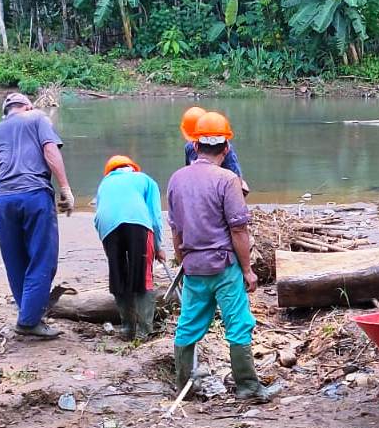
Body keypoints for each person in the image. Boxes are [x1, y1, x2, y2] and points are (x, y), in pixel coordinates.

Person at [167, 111, 278, 402]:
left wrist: (182, 260)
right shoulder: (228, 179)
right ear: (226, 148)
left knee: (188, 324)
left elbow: (176, 230)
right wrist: (248, 270)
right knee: (238, 324)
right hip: (224, 266)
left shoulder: (177, 179)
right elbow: (238, 230)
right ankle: (248, 387)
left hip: (194, 265)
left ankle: (183, 385)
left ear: (195, 145)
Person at [0, 92, 74, 339]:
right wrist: (65, 188)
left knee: (15, 260)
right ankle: (29, 321)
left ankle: (28, 313)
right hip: (34, 194)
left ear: (6, 111)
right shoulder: (37, 118)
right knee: (43, 258)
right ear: (28, 106)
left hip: (4, 200)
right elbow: (51, 152)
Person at [94, 155, 166, 340]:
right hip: (139, 223)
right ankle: (144, 331)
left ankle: (127, 329)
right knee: (143, 276)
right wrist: (158, 246)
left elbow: (99, 216)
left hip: (107, 227)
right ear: (133, 168)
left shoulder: (104, 184)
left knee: (118, 275)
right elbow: (155, 217)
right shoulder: (145, 180)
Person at [182, 106, 243, 176]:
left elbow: (236, 177)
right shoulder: (189, 147)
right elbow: (187, 172)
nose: (193, 142)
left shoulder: (224, 149)